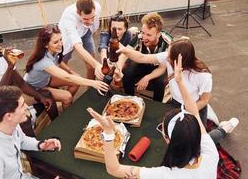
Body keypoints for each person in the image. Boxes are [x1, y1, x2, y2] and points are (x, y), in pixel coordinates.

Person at [87, 54, 239, 178]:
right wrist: (179, 82)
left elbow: (114, 169)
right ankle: (226, 127)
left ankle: (226, 128)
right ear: (196, 133)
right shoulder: (211, 154)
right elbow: (193, 111)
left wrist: (108, 134)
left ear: (168, 139)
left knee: (213, 136)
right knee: (214, 136)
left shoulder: (164, 175)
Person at [0, 27, 58, 136]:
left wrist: (40, 97)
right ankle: (33, 149)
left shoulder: (3, 59)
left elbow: (21, 84)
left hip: (6, 98)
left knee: (46, 95)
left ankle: (57, 128)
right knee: (22, 119)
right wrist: (10, 67)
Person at [0, 85, 61, 179]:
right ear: (9, 116)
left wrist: (40, 145)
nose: (27, 107)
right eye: (22, 105)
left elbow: (21, 140)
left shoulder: (4, 124)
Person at [118, 37, 211, 124]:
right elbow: (142, 57)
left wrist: (188, 111)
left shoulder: (203, 75)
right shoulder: (168, 57)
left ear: (181, 60)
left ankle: (222, 129)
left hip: (195, 108)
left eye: (170, 56)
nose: (166, 58)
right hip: (175, 103)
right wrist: (126, 51)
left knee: (194, 138)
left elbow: (204, 100)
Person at [24, 24, 109, 109]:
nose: (60, 44)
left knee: (76, 80)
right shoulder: (43, 61)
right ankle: (65, 102)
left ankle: (66, 104)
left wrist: (70, 71)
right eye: (56, 42)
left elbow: (58, 60)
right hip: (35, 88)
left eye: (60, 39)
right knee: (67, 96)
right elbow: (67, 77)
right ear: (46, 45)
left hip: (46, 79)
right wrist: (93, 83)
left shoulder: (53, 49)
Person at [119, 12, 172, 102]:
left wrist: (147, 77)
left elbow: (162, 68)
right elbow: (125, 53)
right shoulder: (139, 36)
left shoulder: (167, 42)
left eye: (149, 35)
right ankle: (130, 101)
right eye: (143, 33)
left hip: (158, 67)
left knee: (160, 83)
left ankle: (156, 105)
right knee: (127, 73)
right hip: (142, 62)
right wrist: (119, 69)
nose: (144, 37)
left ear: (158, 34)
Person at [58, 0, 104, 80]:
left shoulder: (97, 7)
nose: (90, 22)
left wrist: (94, 65)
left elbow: (94, 25)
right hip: (67, 36)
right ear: (78, 13)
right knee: (62, 63)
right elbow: (77, 45)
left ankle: (91, 88)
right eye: (86, 19)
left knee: (91, 65)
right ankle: (61, 83)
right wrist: (97, 64)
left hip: (85, 32)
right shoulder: (68, 17)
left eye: (92, 17)